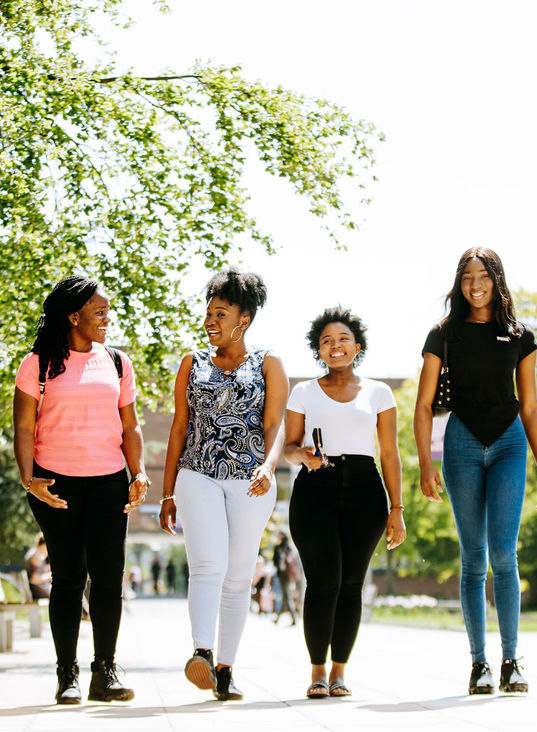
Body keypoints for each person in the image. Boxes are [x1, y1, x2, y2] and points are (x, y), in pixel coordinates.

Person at [413, 247, 537, 696]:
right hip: (461, 444)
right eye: (467, 277)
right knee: (473, 559)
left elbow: (530, 408)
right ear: (459, 283)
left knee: (504, 556)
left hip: (511, 444)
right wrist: (424, 463)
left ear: (497, 280)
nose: (475, 285)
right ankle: (479, 664)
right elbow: (422, 405)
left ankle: (511, 661)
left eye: (483, 277)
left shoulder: (519, 335)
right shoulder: (444, 335)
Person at [13, 275, 149, 704]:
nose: (108, 319)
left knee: (109, 579)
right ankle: (66, 674)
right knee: (69, 579)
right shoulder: (37, 363)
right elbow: (21, 426)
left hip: (109, 482)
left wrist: (139, 472)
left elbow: (130, 426)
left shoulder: (116, 362)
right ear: (74, 316)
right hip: (56, 484)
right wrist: (28, 480)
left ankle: (104, 673)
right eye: (100, 312)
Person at [159, 268, 289, 701]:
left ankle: (226, 671)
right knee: (207, 565)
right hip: (197, 474)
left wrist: (269, 468)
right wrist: (167, 492)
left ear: (244, 319)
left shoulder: (269, 363)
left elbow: (275, 427)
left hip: (251, 481)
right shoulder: (191, 363)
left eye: (220, 313)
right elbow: (179, 428)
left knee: (237, 577)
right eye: (208, 313)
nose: (209, 321)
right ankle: (201, 651)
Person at [284, 306, 406, 699]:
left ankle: (339, 673)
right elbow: (287, 448)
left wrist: (396, 509)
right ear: (318, 349)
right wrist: (304, 455)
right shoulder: (303, 391)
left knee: (351, 584)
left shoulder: (378, 392)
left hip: (365, 490)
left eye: (343, 340)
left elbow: (389, 454)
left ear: (357, 345)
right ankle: (317, 671)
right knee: (324, 582)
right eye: (326, 341)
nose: (335, 347)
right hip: (315, 489)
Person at [272, 532, 297, 626]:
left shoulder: (282, 548)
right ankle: (279, 618)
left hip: (284, 575)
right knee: (284, 596)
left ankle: (292, 617)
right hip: (285, 575)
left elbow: (275, 561)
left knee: (285, 596)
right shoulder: (286, 547)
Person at [25, 534, 52, 600]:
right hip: (36, 591)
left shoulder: (33, 553)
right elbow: (35, 579)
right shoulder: (36, 558)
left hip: (35, 589)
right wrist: (50, 576)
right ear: (44, 545)